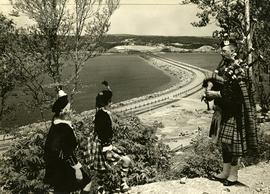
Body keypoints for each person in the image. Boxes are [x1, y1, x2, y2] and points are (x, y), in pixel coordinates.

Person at [204, 39, 258, 186]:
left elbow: (235, 95)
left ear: (233, 51)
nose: (221, 52)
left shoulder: (240, 68)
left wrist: (213, 94)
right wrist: (209, 83)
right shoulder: (225, 65)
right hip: (223, 110)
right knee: (224, 143)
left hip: (234, 111)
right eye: (222, 50)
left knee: (234, 145)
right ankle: (225, 172)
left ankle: (233, 175)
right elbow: (217, 79)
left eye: (225, 51)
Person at [84, 81, 131, 193]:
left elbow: (105, 97)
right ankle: (123, 184)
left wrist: (107, 87)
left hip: (100, 146)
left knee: (102, 170)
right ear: (106, 103)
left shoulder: (99, 113)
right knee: (126, 160)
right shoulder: (103, 116)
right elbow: (104, 134)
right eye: (110, 102)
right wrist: (107, 149)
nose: (112, 103)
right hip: (104, 147)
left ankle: (101, 190)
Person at [44, 89, 91, 194]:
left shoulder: (55, 125)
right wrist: (77, 168)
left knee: (61, 191)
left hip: (54, 166)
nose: (70, 111)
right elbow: (67, 150)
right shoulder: (65, 128)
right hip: (64, 165)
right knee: (87, 182)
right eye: (68, 109)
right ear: (63, 111)